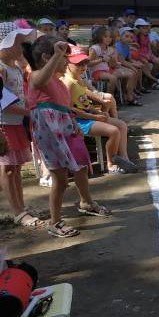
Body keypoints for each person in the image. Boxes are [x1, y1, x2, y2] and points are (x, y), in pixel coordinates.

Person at [23, 37, 112, 238]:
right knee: (60, 180)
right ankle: (54, 222)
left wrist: (76, 124)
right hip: (51, 133)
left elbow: (65, 109)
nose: (67, 62)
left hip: (66, 129)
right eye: (65, 58)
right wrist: (57, 54)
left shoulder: (59, 82)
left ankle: (86, 203)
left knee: (78, 168)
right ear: (48, 57)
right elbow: (39, 80)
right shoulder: (37, 77)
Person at [61, 46, 138, 175]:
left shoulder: (78, 78)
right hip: (79, 121)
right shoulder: (67, 82)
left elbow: (84, 102)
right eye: (78, 64)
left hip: (88, 116)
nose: (83, 67)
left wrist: (97, 111)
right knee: (113, 131)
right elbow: (70, 110)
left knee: (122, 125)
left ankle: (124, 158)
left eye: (85, 63)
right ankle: (111, 164)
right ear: (67, 63)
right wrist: (95, 117)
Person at [0, 22, 42, 228]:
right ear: (4, 44)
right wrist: (30, 112)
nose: (22, 48)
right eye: (18, 44)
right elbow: (3, 102)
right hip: (4, 124)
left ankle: (22, 206)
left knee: (15, 167)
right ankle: (17, 211)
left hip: (15, 123)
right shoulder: (1, 68)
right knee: (8, 168)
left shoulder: (15, 66)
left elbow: (20, 93)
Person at [88, 26, 140, 106]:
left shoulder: (110, 49)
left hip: (108, 70)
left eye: (110, 37)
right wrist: (101, 59)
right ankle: (110, 100)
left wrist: (115, 62)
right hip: (96, 71)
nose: (108, 39)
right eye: (105, 37)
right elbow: (89, 63)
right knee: (113, 78)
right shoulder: (95, 48)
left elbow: (112, 64)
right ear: (99, 36)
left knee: (131, 74)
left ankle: (129, 96)